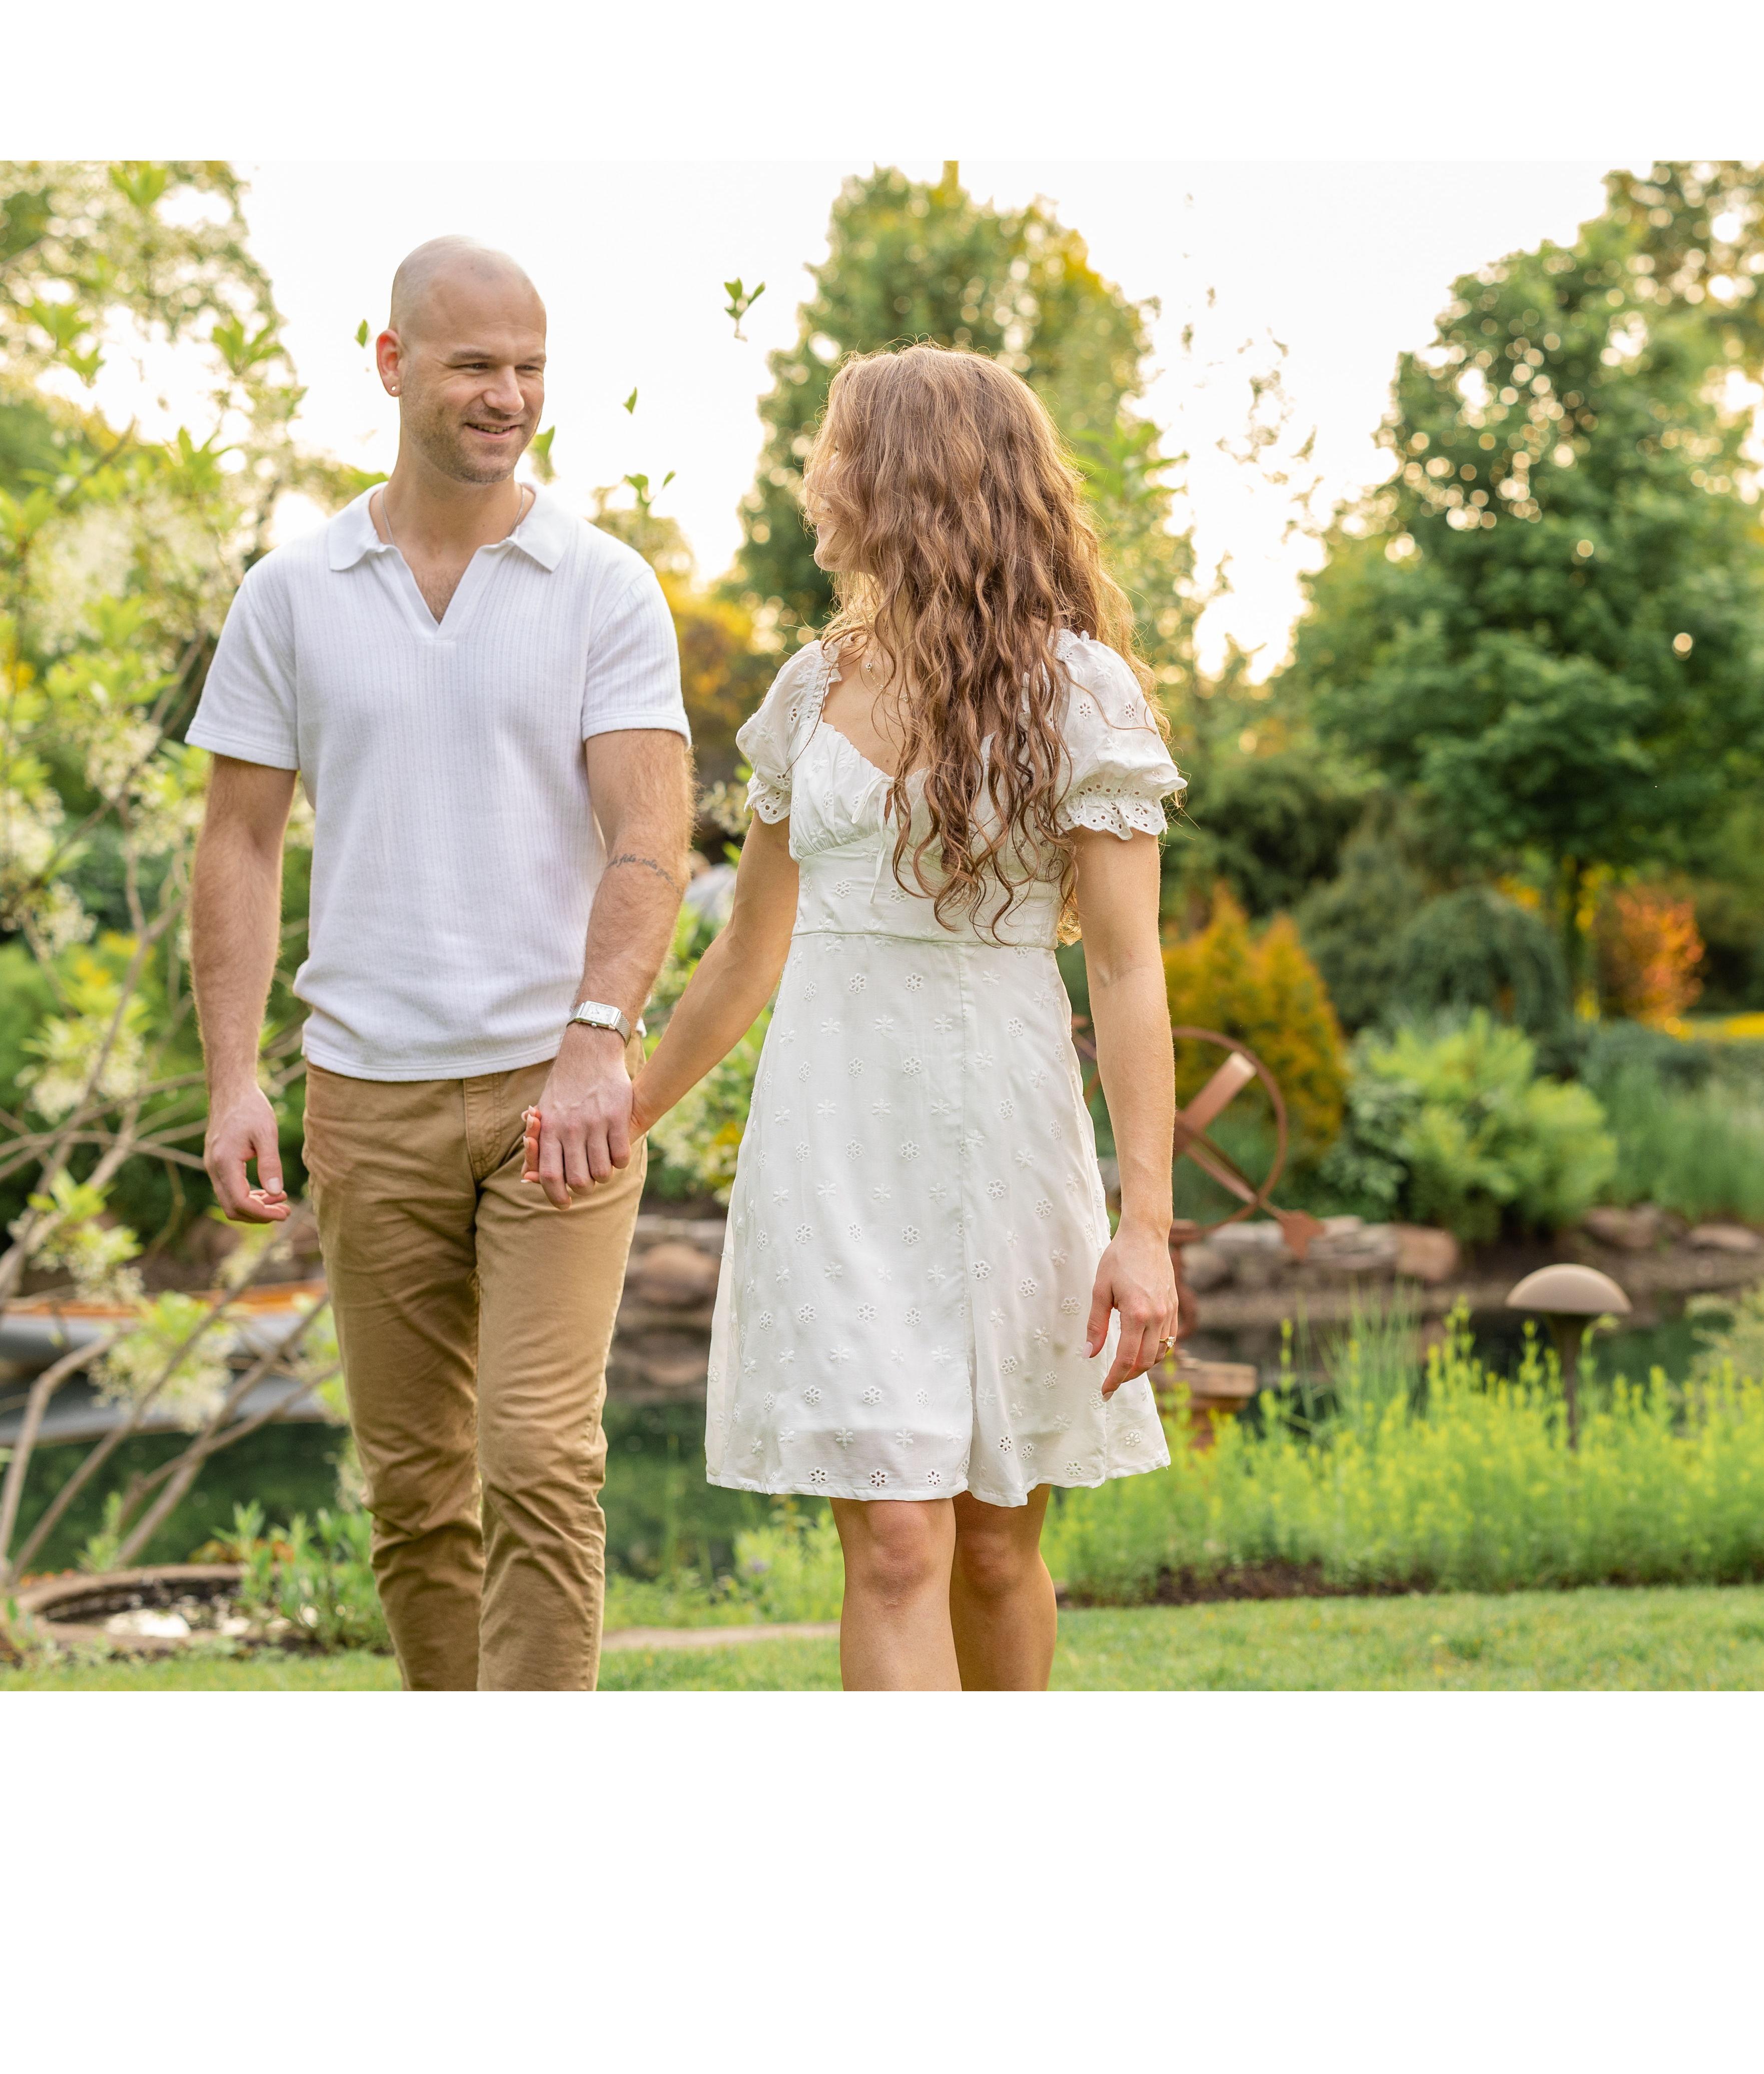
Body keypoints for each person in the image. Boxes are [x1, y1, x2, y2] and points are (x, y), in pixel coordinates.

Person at [576, 343, 1183, 1690]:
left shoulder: (1084, 693)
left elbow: (1128, 971)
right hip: (834, 1141)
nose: (814, 483)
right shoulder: (807, 692)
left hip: (1006, 1140)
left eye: (835, 453)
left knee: (995, 1548)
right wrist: (630, 1106)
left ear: (910, 480)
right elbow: (748, 950)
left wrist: (1144, 1225)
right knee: (899, 1543)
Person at [188, 238, 692, 1692]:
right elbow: (238, 844)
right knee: (415, 1490)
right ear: (394, 362)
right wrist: (234, 1081)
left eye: (530, 368)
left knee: (539, 1457)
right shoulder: (292, 592)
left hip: (559, 1098)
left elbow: (650, 834)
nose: (509, 397)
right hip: (368, 1097)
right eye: (476, 365)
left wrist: (598, 1038)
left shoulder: (603, 588)